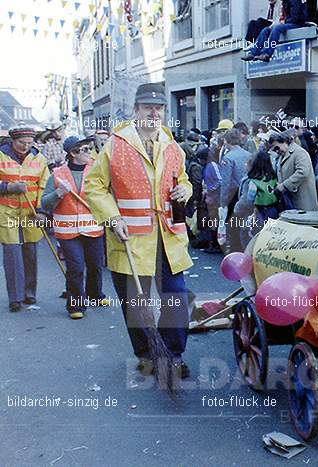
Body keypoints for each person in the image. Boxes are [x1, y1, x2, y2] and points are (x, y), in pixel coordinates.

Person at [84, 83, 193, 378]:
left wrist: (186, 189)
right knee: (135, 302)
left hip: (168, 237)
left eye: (158, 108)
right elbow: (94, 186)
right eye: (147, 107)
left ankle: (173, 354)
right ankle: (146, 353)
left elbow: (181, 179)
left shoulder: (172, 145)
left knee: (176, 297)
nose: (153, 112)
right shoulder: (116, 145)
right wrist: (112, 217)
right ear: (136, 110)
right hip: (130, 237)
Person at [41, 136, 107, 320]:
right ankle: (75, 305)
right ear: (73, 153)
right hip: (68, 232)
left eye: (89, 148)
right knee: (76, 267)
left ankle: (95, 295)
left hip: (93, 228)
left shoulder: (96, 170)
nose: (89, 152)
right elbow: (45, 204)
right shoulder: (57, 175)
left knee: (95, 265)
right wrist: (59, 193)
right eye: (85, 149)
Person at [0, 128, 50, 313]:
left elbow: (45, 186)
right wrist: (8, 187)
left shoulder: (39, 159)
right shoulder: (1, 156)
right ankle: (15, 297)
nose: (26, 146)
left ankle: (29, 292)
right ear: (13, 141)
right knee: (12, 252)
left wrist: (42, 211)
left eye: (29, 143)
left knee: (30, 251)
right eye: (22, 143)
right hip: (7, 212)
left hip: (31, 213)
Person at [241, 0, 309, 62]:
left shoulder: (294, 1)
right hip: (289, 22)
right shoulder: (285, 2)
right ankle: (254, 52)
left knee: (276, 28)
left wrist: (284, 21)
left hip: (297, 24)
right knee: (266, 30)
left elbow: (295, 18)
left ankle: (266, 54)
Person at [218, 129, 252, 253]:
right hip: (246, 193)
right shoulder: (248, 154)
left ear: (226, 141)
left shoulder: (228, 158)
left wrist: (223, 202)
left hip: (233, 195)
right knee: (244, 226)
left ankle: (235, 252)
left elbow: (225, 182)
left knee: (233, 228)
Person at [268, 131, 318, 211]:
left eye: (277, 148)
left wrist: (284, 185)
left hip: (302, 201)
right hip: (290, 201)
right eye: (274, 150)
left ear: (285, 141)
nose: (277, 151)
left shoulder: (299, 152)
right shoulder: (282, 155)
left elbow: (302, 172)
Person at [246, 150, 282, 228]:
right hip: (274, 209)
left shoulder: (254, 181)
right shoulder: (273, 177)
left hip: (260, 212)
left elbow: (250, 199)